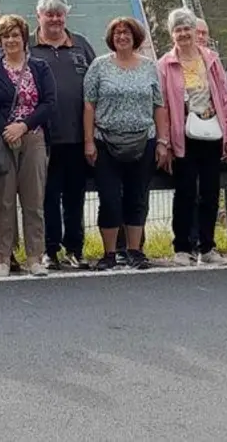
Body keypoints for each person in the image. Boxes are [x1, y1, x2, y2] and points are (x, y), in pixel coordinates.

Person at [0, 14, 55, 277]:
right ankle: (3, 258)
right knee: (3, 200)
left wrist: (24, 126)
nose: (11, 40)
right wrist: (6, 128)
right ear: (0, 40)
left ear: (24, 38)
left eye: (15, 35)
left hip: (33, 137)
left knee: (33, 200)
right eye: (6, 35)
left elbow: (48, 103)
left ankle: (34, 256)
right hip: (2, 139)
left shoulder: (40, 67)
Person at [83, 17, 166, 271]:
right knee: (109, 198)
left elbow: (158, 105)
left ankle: (134, 250)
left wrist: (162, 140)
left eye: (127, 33)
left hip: (144, 139)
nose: (122, 37)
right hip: (106, 141)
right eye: (117, 33)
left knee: (137, 196)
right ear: (111, 38)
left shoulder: (149, 67)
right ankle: (109, 253)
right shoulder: (99, 66)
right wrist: (89, 141)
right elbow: (89, 104)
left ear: (135, 37)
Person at [158, 9, 227, 266]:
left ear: (195, 31)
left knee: (210, 192)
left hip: (212, 132)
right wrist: (166, 142)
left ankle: (207, 247)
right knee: (185, 192)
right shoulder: (165, 65)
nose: (183, 34)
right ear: (172, 34)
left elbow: (225, 99)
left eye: (187, 29)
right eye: (178, 29)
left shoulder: (211, 60)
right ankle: (182, 247)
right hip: (183, 137)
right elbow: (162, 106)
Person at [28, 0, 96, 270]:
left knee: (74, 196)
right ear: (39, 16)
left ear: (65, 16)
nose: (55, 19)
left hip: (77, 136)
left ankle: (75, 249)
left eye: (59, 14)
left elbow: (95, 85)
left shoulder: (81, 45)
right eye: (49, 14)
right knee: (46, 196)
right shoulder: (30, 46)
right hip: (43, 138)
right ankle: (49, 249)